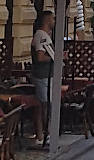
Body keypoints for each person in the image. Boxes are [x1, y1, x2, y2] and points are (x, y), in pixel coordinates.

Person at [31, 10, 55, 146]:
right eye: (53, 19)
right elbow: (40, 57)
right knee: (43, 105)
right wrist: (55, 58)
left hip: (46, 75)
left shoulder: (44, 35)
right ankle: (43, 134)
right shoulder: (41, 35)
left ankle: (44, 134)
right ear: (47, 20)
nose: (54, 21)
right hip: (42, 75)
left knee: (44, 105)